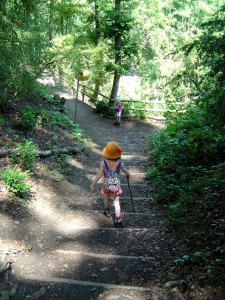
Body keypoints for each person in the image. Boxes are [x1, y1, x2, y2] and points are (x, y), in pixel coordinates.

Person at [90, 141, 130, 227]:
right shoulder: (120, 164)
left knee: (106, 198)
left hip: (106, 184)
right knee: (116, 202)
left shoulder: (103, 163)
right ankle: (118, 219)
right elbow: (128, 173)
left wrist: (93, 184)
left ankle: (107, 211)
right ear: (118, 154)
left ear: (106, 154)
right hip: (116, 185)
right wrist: (127, 176)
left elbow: (99, 175)